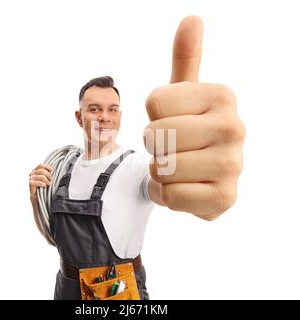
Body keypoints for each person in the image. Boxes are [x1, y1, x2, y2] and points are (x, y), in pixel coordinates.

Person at [28, 16, 245, 300]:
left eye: (112, 109)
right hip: (66, 289)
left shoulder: (135, 169)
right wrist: (36, 198)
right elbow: (54, 238)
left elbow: (164, 182)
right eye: (94, 109)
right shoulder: (61, 169)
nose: (104, 117)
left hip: (116, 292)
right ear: (79, 117)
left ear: (120, 116)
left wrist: (186, 166)